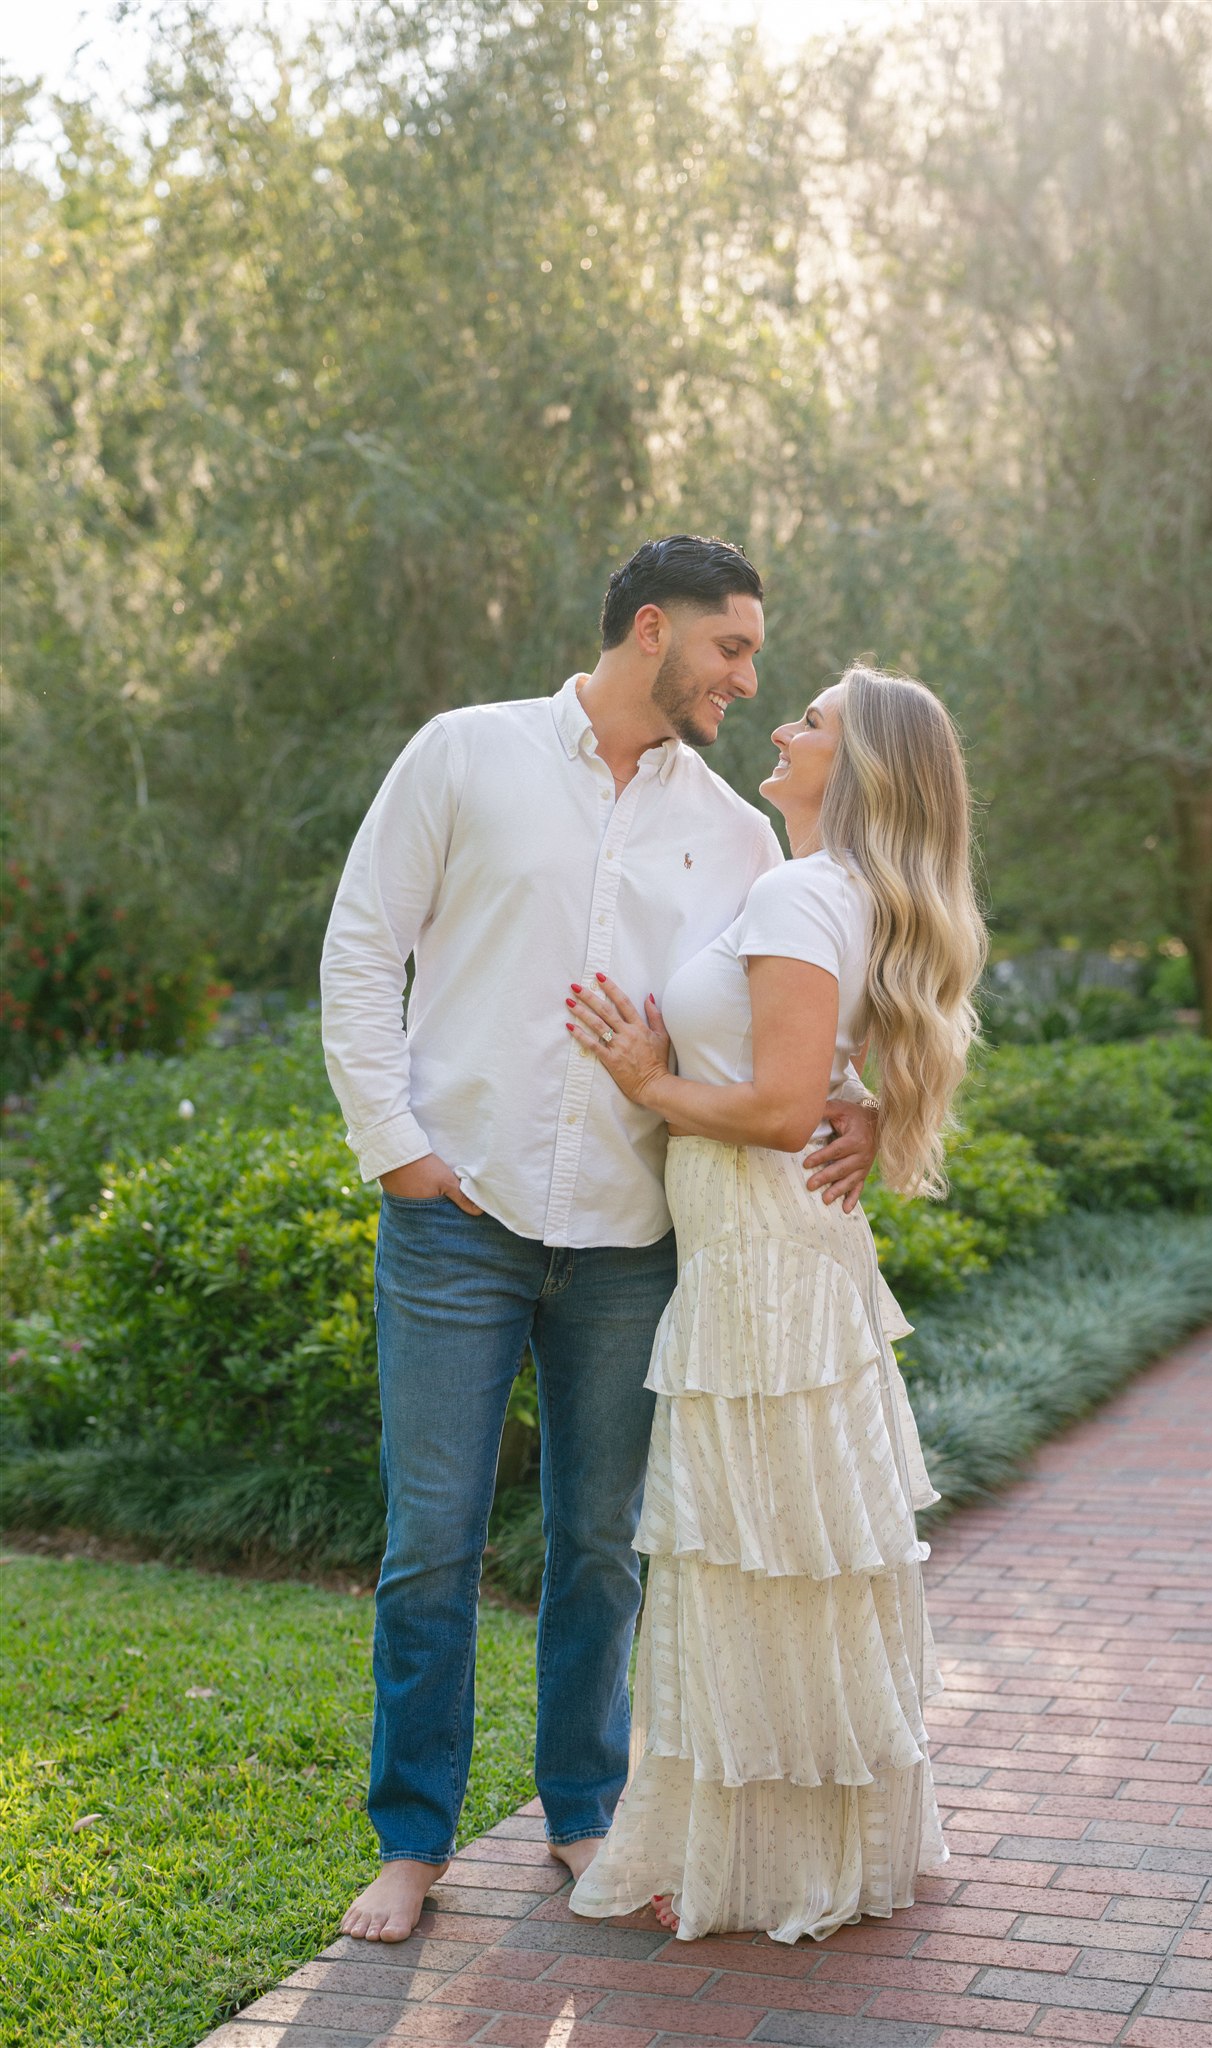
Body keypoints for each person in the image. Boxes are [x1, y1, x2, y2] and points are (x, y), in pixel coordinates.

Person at [319, 535, 879, 1944]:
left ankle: (581, 1808)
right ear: (651, 631)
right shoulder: (465, 754)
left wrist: (855, 1095)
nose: (745, 681)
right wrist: (395, 1145)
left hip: (630, 1240)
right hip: (457, 1220)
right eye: (731, 648)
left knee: (598, 1548)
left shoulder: (736, 834)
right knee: (430, 1544)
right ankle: (412, 1840)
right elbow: (361, 944)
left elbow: (780, 1001)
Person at [565, 663, 986, 1942]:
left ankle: (764, 1857)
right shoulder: (833, 889)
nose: (783, 727)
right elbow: (821, 1076)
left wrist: (645, 1077)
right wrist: (860, 1103)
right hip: (771, 1251)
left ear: (854, 769)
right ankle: (794, 1846)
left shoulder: (803, 892)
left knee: (757, 1548)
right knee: (790, 1550)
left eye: (810, 720)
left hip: (761, 1256)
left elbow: (776, 1107)